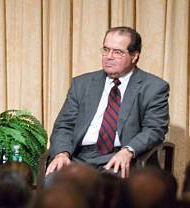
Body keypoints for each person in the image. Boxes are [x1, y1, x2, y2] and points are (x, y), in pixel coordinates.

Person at [46, 26, 169, 179]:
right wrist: (61, 153)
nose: (108, 56)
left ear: (134, 56)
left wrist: (129, 150)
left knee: (110, 186)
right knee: (54, 179)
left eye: (117, 52)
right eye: (105, 49)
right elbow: (64, 125)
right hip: (79, 157)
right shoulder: (82, 84)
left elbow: (154, 128)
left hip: (120, 156)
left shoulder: (153, 87)